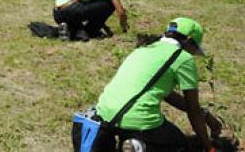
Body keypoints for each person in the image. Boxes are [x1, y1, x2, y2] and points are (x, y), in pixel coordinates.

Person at [90, 18, 223, 152]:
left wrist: (205, 114)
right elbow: (193, 109)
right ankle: (139, 145)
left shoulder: (144, 48)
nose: (193, 53)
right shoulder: (183, 58)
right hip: (140, 120)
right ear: (188, 41)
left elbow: (167, 94)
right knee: (179, 144)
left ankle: (132, 142)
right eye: (194, 49)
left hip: (104, 115)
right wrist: (209, 147)